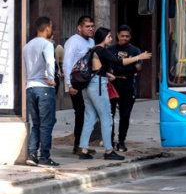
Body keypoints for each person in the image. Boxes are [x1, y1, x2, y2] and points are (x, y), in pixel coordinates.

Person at [78, 27, 152, 160]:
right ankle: (108, 150)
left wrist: (107, 75)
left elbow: (94, 69)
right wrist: (139, 57)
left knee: (89, 118)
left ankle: (83, 150)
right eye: (109, 36)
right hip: (98, 86)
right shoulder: (102, 50)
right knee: (106, 117)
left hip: (88, 85)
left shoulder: (92, 50)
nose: (111, 39)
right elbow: (120, 62)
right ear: (103, 38)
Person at [23, 17, 58, 167]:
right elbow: (50, 61)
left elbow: (25, 67)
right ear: (48, 28)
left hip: (30, 86)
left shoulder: (28, 45)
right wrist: (51, 78)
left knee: (36, 123)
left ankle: (32, 154)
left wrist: (28, 81)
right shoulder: (47, 44)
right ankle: (44, 156)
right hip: (44, 87)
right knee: (46, 124)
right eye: (51, 27)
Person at [63, 15, 97, 156]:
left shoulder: (91, 41)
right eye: (87, 26)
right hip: (77, 84)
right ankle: (78, 145)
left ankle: (84, 144)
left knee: (89, 114)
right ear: (79, 27)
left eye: (91, 26)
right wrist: (69, 85)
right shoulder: (73, 41)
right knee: (81, 114)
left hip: (89, 84)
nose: (90, 29)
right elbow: (67, 63)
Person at [108, 25, 142, 152]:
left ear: (130, 37)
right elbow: (107, 65)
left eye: (127, 36)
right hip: (112, 85)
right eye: (122, 36)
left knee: (125, 115)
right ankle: (109, 140)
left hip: (128, 85)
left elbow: (138, 67)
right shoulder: (111, 49)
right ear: (117, 35)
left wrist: (124, 69)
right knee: (109, 114)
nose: (124, 38)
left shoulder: (135, 50)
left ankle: (121, 141)